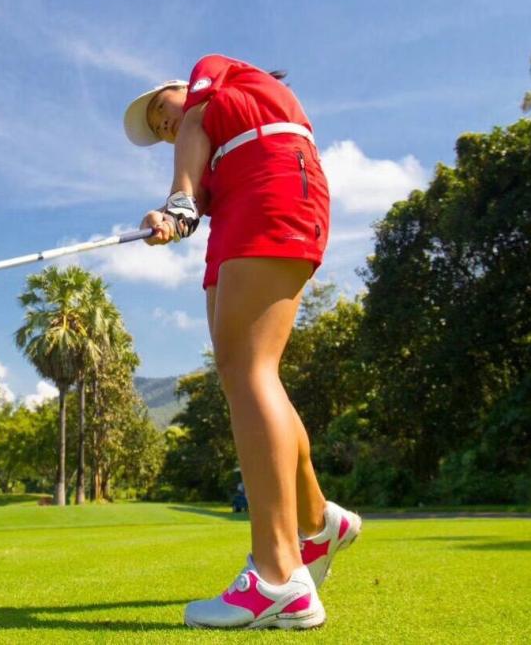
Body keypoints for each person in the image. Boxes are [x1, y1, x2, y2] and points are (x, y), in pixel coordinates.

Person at [124, 54, 362, 630]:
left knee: (250, 370)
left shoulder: (214, 77)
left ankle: (278, 578)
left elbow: (195, 124)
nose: (164, 124)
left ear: (183, 88)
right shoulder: (209, 161)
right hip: (236, 212)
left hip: (270, 180)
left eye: (161, 109)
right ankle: (317, 521)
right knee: (244, 377)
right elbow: (195, 199)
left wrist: (179, 197)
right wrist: (170, 217)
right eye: (157, 128)